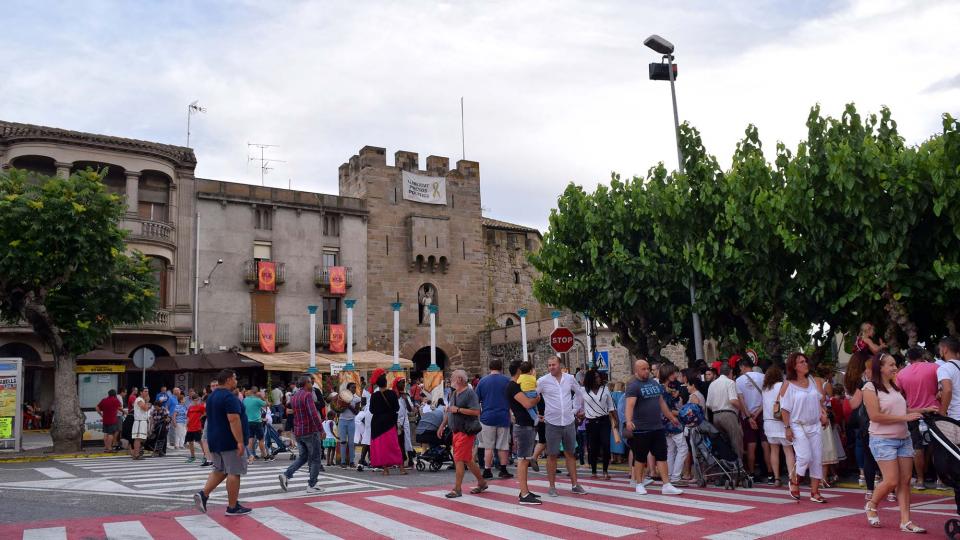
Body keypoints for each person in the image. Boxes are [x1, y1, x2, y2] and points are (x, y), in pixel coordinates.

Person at [863, 353, 935, 533]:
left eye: (895, 364)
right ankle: (871, 505)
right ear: (880, 368)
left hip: (903, 439)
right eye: (891, 365)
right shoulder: (870, 388)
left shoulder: (895, 387)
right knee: (892, 481)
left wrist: (924, 409)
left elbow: (904, 409)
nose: (895, 368)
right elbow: (875, 416)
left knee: (905, 481)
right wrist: (905, 417)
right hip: (882, 440)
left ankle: (906, 521)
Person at [195, 369, 251, 517]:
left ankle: (203, 494)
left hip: (215, 439)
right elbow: (233, 419)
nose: (236, 381)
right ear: (228, 380)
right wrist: (239, 441)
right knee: (234, 472)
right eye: (235, 378)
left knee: (220, 470)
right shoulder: (229, 397)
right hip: (229, 440)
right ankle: (232, 507)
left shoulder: (212, 397)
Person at [624, 359, 683, 496]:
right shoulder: (633, 386)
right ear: (636, 370)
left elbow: (662, 403)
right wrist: (628, 421)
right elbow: (630, 405)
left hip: (657, 427)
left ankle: (666, 484)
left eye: (648, 368)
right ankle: (639, 483)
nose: (646, 371)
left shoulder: (653, 383)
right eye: (643, 369)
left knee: (661, 456)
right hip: (641, 428)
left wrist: (671, 417)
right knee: (640, 457)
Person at [779, 352, 828, 503]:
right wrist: (787, 428)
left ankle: (815, 491)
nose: (805, 363)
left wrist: (822, 414)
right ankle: (794, 480)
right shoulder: (789, 384)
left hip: (814, 425)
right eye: (801, 362)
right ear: (794, 366)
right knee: (805, 456)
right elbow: (784, 409)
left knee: (817, 458)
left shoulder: (812, 380)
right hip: (797, 425)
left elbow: (818, 401)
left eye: (805, 361)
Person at [537, 356, 587, 497]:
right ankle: (552, 487)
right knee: (552, 455)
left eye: (553, 364)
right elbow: (532, 396)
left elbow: (579, 393)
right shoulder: (543, 381)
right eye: (549, 365)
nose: (551, 367)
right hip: (552, 422)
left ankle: (575, 484)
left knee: (570, 453)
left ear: (560, 365)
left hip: (569, 421)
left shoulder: (569, 378)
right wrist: (535, 414)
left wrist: (575, 409)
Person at [438, 369, 487, 498]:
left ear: (459, 379)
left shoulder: (470, 394)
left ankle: (457, 489)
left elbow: (476, 412)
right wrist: (442, 425)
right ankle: (481, 482)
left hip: (466, 431)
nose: (450, 379)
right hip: (456, 431)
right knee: (467, 460)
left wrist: (458, 409)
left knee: (459, 459)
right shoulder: (454, 393)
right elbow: (450, 411)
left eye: (452, 377)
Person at [278, 375, 326, 494]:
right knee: (315, 458)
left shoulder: (294, 396)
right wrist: (321, 430)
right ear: (306, 383)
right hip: (310, 431)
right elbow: (313, 414)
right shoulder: (307, 395)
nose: (312, 385)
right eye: (310, 383)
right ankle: (312, 485)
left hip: (298, 431)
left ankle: (286, 475)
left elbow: (294, 413)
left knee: (304, 457)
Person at [506, 359, 542, 504]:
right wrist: (538, 398)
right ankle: (524, 494)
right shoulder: (513, 386)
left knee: (525, 458)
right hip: (523, 426)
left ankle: (524, 490)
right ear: (519, 371)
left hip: (525, 424)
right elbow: (527, 403)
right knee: (523, 459)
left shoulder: (515, 385)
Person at [475, 359, 513, 480]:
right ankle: (503, 469)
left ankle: (487, 470)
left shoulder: (482, 381)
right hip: (503, 416)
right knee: (503, 445)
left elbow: (476, 400)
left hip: (487, 417)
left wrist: (479, 414)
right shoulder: (507, 381)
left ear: (489, 367)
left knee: (488, 446)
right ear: (501, 367)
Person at [736, 356, 771, 482]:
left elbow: (741, 401)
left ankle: (751, 473)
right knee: (765, 444)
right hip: (762, 414)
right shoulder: (762, 377)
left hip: (747, 416)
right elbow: (766, 399)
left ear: (742, 366)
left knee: (751, 446)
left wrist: (750, 416)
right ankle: (771, 474)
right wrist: (757, 414)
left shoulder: (738, 381)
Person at [761, 364, 795, 487]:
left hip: (768, 422)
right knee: (788, 451)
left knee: (774, 450)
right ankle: (792, 478)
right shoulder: (782, 385)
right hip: (781, 421)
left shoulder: (765, 389)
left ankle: (776, 478)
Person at [706, 364, 746, 464]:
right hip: (728, 415)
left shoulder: (712, 384)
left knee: (724, 444)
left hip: (715, 416)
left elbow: (709, 404)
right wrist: (743, 409)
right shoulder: (730, 382)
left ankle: (728, 468)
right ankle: (739, 467)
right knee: (736, 442)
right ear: (730, 372)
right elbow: (733, 401)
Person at [582, 369, 616, 480]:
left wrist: (616, 421)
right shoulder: (583, 391)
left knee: (606, 445)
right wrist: (577, 414)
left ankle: (605, 470)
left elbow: (611, 406)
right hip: (591, 422)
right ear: (590, 378)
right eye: (595, 377)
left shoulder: (605, 389)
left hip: (604, 420)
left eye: (599, 376)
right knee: (593, 448)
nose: (598, 379)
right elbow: (577, 404)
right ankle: (594, 471)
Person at [369, 373, 405, 475]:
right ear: (386, 383)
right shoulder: (392, 394)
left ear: (377, 385)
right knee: (394, 445)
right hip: (389, 423)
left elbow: (371, 410)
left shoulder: (374, 396)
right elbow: (397, 408)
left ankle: (385, 470)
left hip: (377, 424)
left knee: (382, 447)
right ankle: (401, 468)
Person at [658, 364, 688, 487]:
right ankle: (675, 476)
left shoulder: (663, 388)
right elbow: (669, 409)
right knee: (683, 447)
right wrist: (683, 412)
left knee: (671, 449)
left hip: (663, 422)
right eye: (672, 373)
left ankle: (670, 475)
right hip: (671, 421)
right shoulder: (665, 390)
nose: (674, 375)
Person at [338, 382, 362, 469]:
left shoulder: (357, 398)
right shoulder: (342, 397)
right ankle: (343, 461)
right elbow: (338, 410)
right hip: (342, 420)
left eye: (355, 388)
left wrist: (348, 405)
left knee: (352, 442)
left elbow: (356, 412)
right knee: (343, 442)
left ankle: (352, 461)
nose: (354, 389)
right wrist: (344, 404)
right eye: (352, 388)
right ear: (348, 389)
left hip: (352, 421)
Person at [394, 377, 416, 467]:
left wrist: (405, 399)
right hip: (395, 420)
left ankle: (410, 459)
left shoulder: (406, 395)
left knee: (407, 439)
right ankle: (401, 459)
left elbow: (410, 409)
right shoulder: (393, 394)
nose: (403, 385)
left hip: (404, 420)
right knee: (398, 441)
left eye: (404, 383)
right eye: (402, 383)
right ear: (397, 384)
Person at [242, 388, 269, 461]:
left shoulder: (245, 400)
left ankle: (250, 455)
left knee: (250, 439)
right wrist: (263, 397)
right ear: (257, 393)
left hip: (247, 422)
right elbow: (267, 404)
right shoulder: (257, 400)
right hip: (257, 422)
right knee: (261, 439)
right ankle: (265, 455)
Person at [938, 336, 960, 421]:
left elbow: (947, 390)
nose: (940, 352)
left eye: (940, 349)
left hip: (956, 416)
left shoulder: (944, 368)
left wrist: (942, 413)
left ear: (945, 349)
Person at [130, 389, 151, 460]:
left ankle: (137, 453)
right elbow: (145, 408)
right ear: (141, 392)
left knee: (141, 438)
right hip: (139, 421)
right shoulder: (139, 399)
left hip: (143, 421)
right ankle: (136, 454)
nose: (147, 393)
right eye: (145, 391)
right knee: (138, 438)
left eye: (147, 391)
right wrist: (147, 401)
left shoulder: (142, 400)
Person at [185, 394, 205, 463]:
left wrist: (201, 417)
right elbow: (188, 416)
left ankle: (205, 456)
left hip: (197, 427)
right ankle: (192, 456)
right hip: (190, 427)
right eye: (195, 400)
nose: (196, 401)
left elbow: (206, 413)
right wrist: (186, 424)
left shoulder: (201, 407)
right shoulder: (190, 407)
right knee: (190, 442)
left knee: (200, 442)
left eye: (197, 400)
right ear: (192, 400)